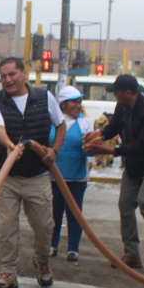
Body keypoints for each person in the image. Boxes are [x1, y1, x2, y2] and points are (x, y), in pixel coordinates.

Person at [0, 57, 66, 288]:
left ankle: (42, 262)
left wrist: (54, 150)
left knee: (44, 226)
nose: (8, 80)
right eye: (3, 76)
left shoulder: (45, 97)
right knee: (7, 227)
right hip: (7, 176)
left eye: (12, 74)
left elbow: (61, 125)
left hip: (38, 175)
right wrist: (10, 145)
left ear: (23, 73)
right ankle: (8, 271)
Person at [84, 74, 144, 269]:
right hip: (133, 166)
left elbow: (143, 144)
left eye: (117, 92)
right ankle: (132, 254)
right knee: (125, 205)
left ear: (128, 92)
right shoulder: (122, 107)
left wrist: (111, 151)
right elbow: (113, 128)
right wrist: (98, 135)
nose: (114, 96)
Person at [49, 86, 94, 262]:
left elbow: (91, 151)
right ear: (63, 104)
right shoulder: (52, 122)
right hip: (54, 177)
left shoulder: (85, 123)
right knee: (54, 213)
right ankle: (52, 246)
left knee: (75, 213)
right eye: (74, 102)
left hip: (77, 177)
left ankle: (73, 249)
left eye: (79, 102)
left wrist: (90, 146)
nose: (77, 105)